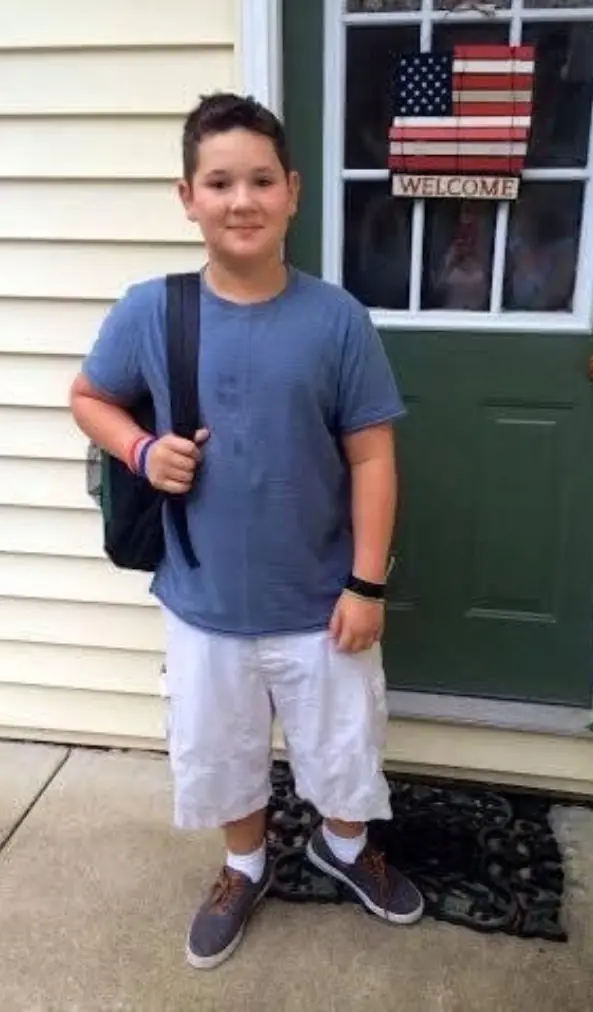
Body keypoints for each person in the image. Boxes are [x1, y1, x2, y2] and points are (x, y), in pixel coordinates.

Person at [69, 92, 424, 971]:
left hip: (322, 599)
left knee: (344, 743)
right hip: (203, 600)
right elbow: (89, 398)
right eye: (219, 181)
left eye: (261, 179)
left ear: (293, 191)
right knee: (219, 748)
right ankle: (244, 862)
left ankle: (342, 849)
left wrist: (367, 583)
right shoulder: (153, 310)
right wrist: (142, 450)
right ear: (187, 196)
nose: (242, 199)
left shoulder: (335, 318)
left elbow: (374, 458)